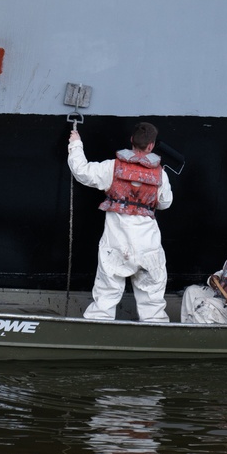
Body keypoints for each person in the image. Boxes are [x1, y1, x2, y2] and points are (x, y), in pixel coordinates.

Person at [67, 120, 173, 322]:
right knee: (152, 304)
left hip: (116, 246)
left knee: (105, 299)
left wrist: (76, 143)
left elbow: (82, 171)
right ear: (151, 145)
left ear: (131, 140)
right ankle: (155, 337)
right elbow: (165, 203)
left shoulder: (111, 168)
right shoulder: (161, 175)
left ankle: (96, 333)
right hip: (148, 247)